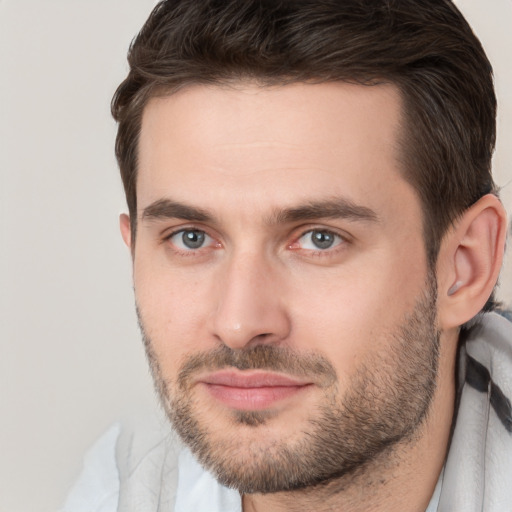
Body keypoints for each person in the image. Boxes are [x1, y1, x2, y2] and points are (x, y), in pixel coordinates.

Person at [63, 0, 512, 510]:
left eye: (320, 238)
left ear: (464, 267)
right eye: (191, 238)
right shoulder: (121, 490)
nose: (239, 324)